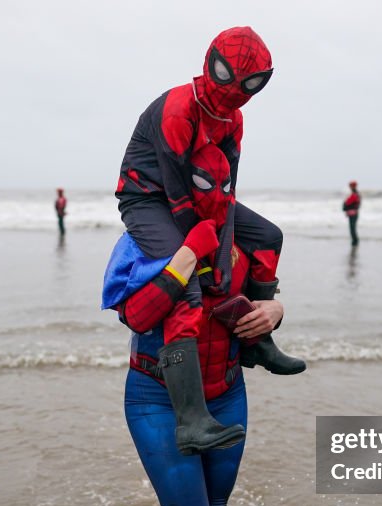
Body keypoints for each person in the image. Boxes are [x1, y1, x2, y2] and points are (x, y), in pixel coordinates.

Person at [105, 142, 284, 506]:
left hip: (226, 391)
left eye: (225, 187)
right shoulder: (146, 240)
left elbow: (259, 302)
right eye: (203, 185)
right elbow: (137, 316)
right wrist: (187, 256)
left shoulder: (244, 238)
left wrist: (274, 311)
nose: (216, 196)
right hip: (155, 396)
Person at [109, 25, 305, 457]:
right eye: (227, 75)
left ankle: (257, 342)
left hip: (200, 192)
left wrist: (226, 238)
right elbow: (179, 200)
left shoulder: (234, 119)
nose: (235, 90)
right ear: (209, 63)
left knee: (269, 236)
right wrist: (209, 261)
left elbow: (228, 190)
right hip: (147, 197)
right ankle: (191, 419)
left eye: (249, 83)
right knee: (188, 283)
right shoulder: (178, 109)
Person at [343, 180, 361, 246]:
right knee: (353, 228)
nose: (349, 187)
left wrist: (345, 205)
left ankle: (355, 241)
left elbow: (347, 203)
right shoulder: (356, 194)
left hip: (353, 214)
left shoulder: (354, 195)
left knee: (352, 228)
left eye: (350, 186)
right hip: (353, 213)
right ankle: (355, 241)